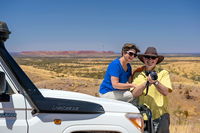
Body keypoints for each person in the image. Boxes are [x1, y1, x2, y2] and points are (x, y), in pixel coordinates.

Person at [131, 47, 172, 133]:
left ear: (156, 60)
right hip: (143, 117)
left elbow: (165, 92)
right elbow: (134, 94)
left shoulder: (163, 73)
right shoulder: (137, 74)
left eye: (153, 58)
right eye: (147, 57)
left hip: (161, 115)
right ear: (143, 59)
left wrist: (155, 82)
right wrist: (146, 83)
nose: (150, 60)